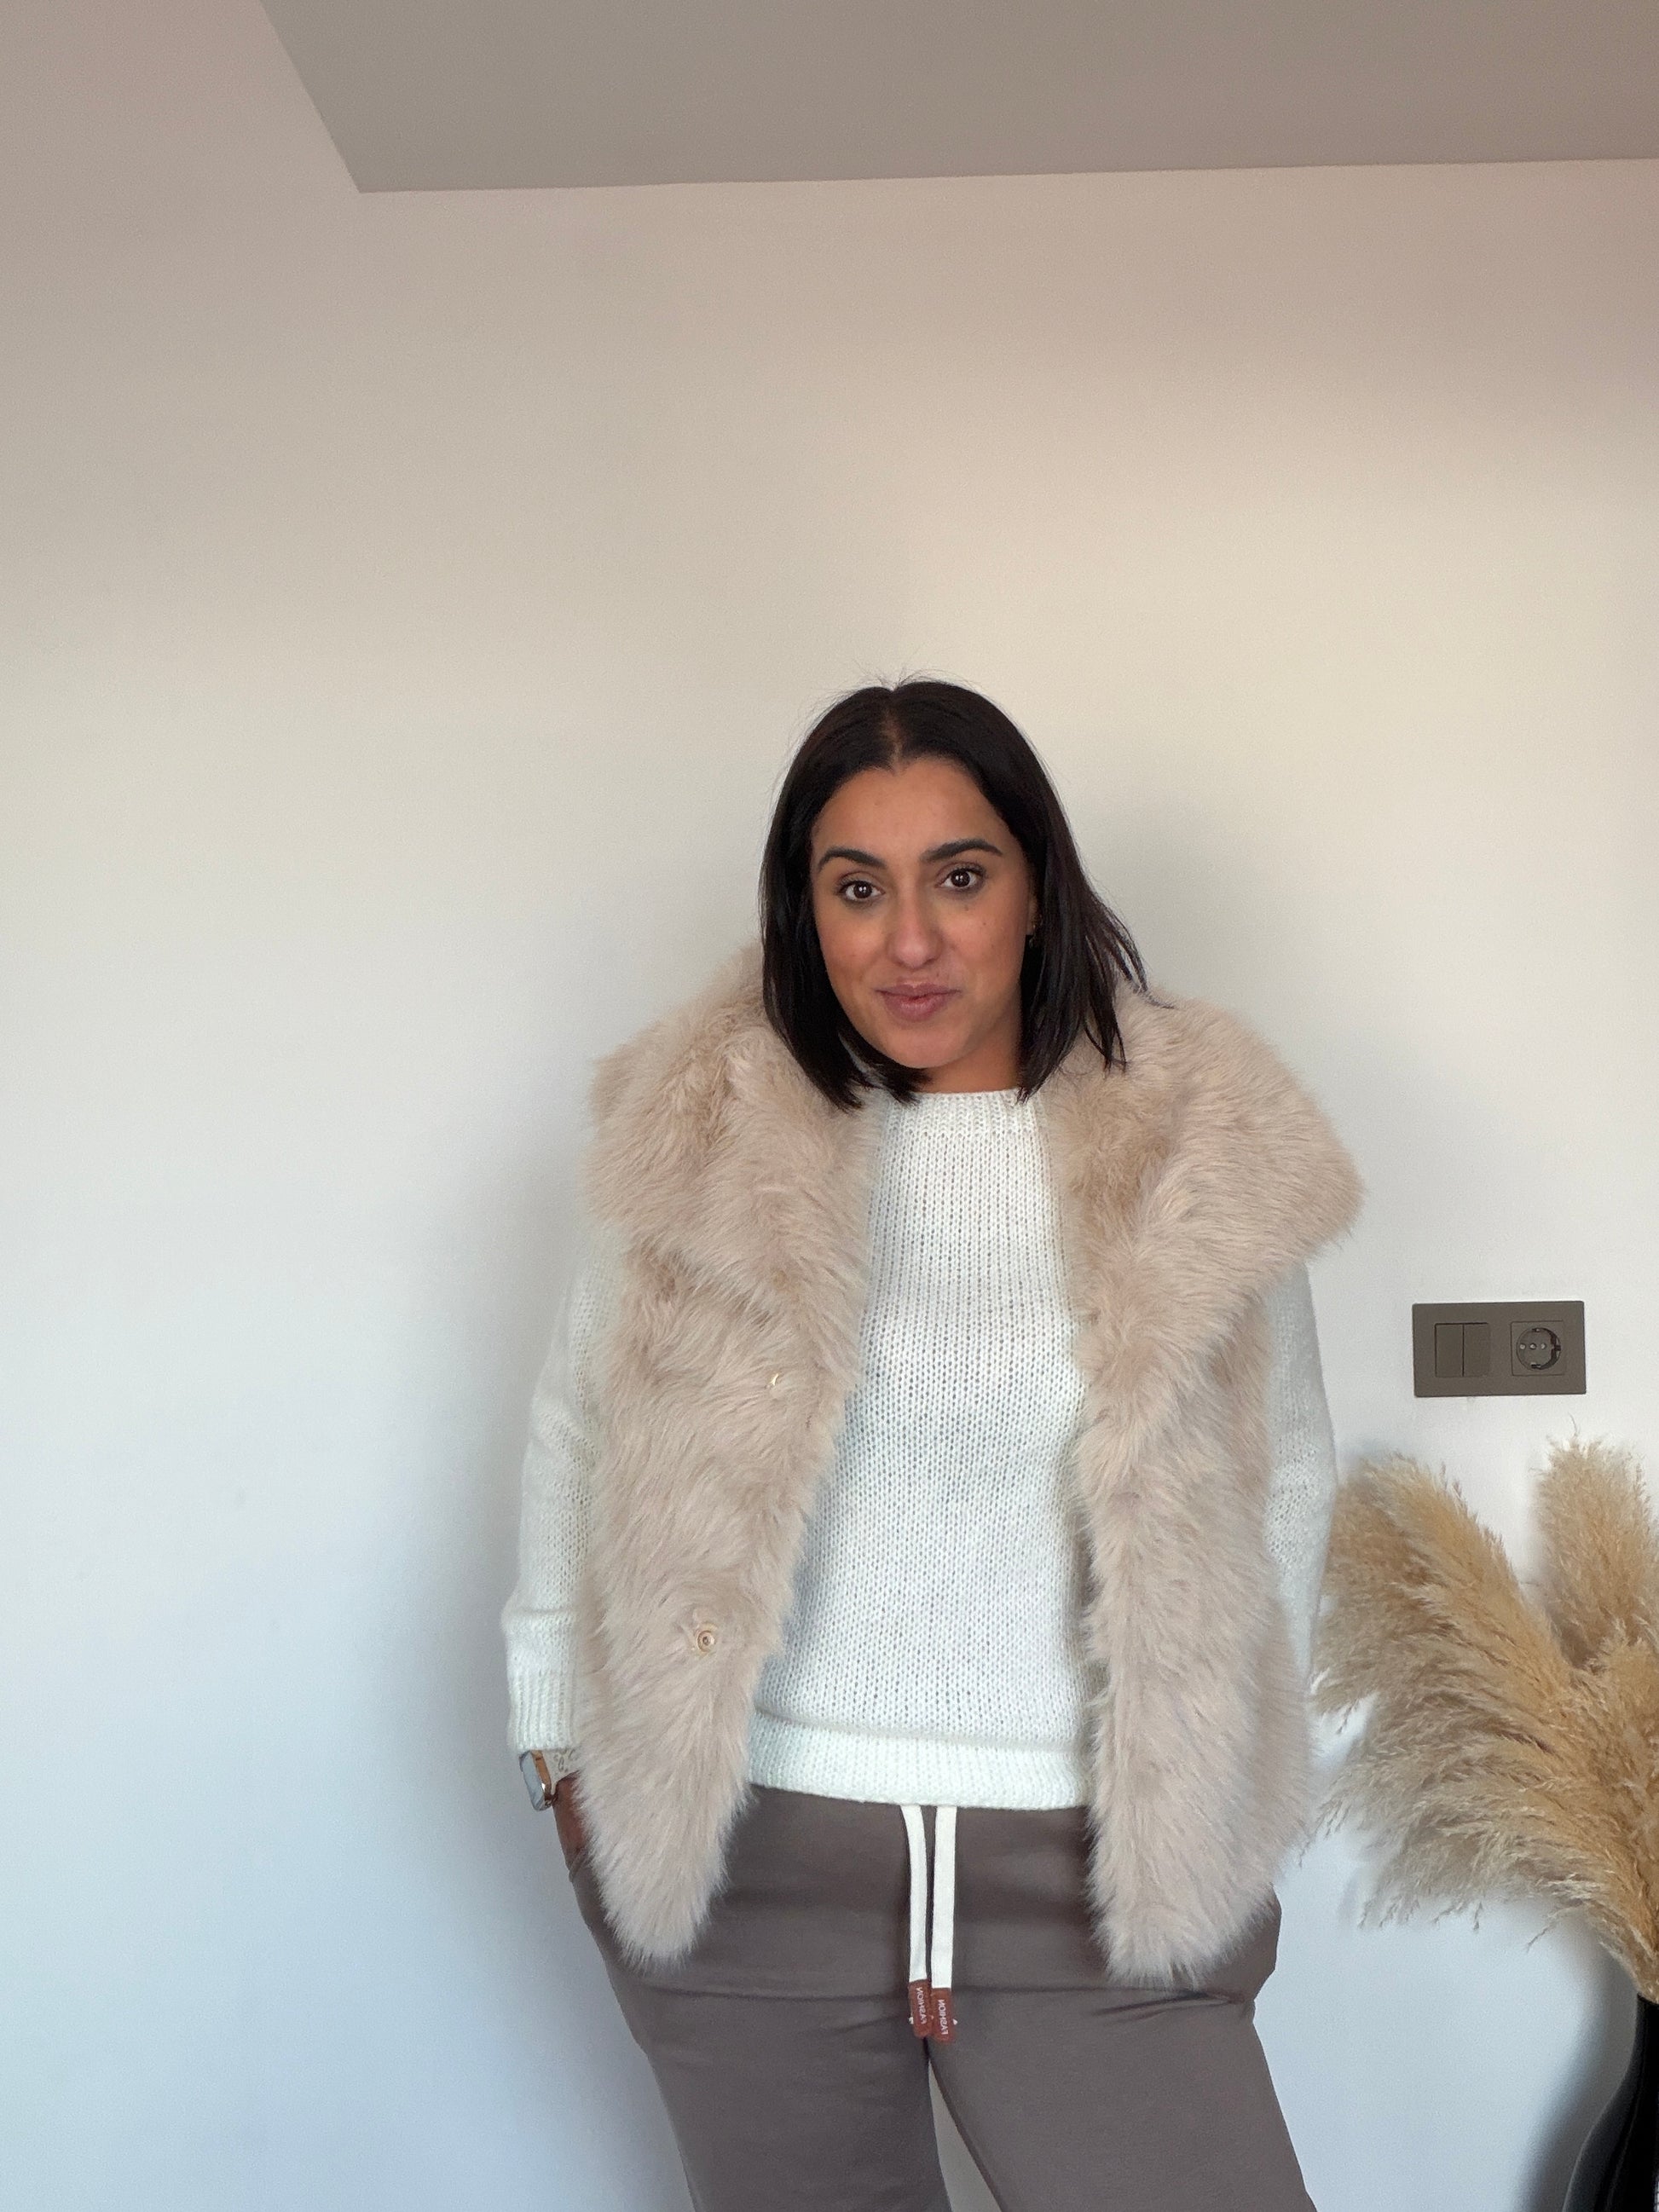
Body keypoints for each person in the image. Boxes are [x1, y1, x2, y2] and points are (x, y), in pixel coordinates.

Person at [502, 678, 1361, 2211]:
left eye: (958, 877)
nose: (909, 939)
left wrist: (1236, 1791)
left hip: (1104, 1879)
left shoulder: (1198, 1144)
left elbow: (1283, 1469)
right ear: (805, 913)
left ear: (1035, 889)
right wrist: (563, 1759)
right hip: (746, 1871)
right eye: (857, 888)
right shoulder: (699, 1134)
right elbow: (582, 1426)